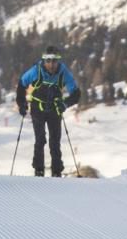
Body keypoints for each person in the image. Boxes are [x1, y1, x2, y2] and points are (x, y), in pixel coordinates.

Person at [16, 45, 81, 177]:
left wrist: (64, 104)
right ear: (44, 60)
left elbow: (76, 93)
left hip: (54, 109)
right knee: (40, 139)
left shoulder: (64, 72)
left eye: (54, 61)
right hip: (37, 108)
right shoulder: (36, 71)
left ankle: (57, 171)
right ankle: (38, 170)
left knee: (55, 141)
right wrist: (21, 103)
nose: (51, 64)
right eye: (48, 61)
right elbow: (21, 84)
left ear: (58, 61)